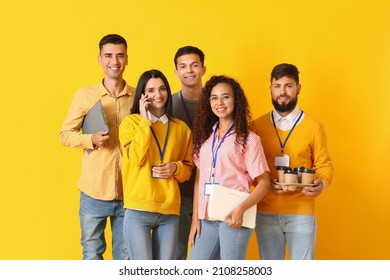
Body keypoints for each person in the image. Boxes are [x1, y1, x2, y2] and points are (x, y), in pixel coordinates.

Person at [60, 34, 134, 260]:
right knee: (92, 255)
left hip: (129, 192)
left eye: (120, 55)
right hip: (94, 191)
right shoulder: (85, 95)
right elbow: (65, 135)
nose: (115, 61)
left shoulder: (136, 96)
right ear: (100, 59)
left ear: (127, 59)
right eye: (109, 55)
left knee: (126, 258)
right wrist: (89, 139)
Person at [253, 63, 334, 260]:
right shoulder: (255, 126)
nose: (282, 92)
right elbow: (247, 169)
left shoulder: (314, 126)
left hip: (301, 212)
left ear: (298, 88)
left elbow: (324, 165)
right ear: (270, 89)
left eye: (288, 86)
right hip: (265, 212)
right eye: (277, 86)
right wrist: (262, 185)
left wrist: (321, 184)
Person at [188, 75, 271, 260]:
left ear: (236, 100)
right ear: (208, 102)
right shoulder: (205, 139)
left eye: (226, 97)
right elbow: (199, 181)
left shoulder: (249, 140)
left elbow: (264, 183)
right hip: (207, 218)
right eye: (214, 97)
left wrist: (241, 209)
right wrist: (196, 218)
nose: (220, 102)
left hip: (234, 216)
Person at [119, 69, 193, 260]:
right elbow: (135, 158)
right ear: (142, 95)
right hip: (138, 209)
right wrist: (145, 121)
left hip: (169, 210)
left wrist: (175, 168)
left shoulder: (181, 129)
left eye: (162, 89)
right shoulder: (131, 123)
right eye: (150, 90)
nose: (157, 95)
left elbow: (188, 170)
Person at [171, 46, 206, 260]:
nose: (189, 71)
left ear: (203, 68)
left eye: (194, 65)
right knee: (175, 256)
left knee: (208, 258)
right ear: (176, 72)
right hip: (178, 192)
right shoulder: (167, 104)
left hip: (210, 195)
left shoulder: (218, 103)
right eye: (183, 66)